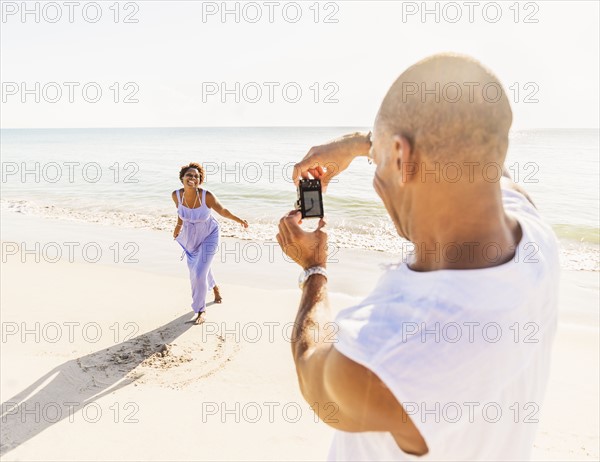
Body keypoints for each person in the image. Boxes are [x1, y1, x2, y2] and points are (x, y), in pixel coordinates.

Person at [276, 53, 559, 460]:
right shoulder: (533, 234)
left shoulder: (401, 342)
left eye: (379, 165)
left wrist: (314, 269)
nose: (377, 180)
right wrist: (365, 145)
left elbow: (312, 373)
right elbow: (469, 143)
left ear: (402, 155)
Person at [173, 162, 248, 324]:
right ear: (182, 178)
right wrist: (178, 226)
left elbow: (223, 211)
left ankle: (201, 310)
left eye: (196, 176)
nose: (192, 178)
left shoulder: (207, 196)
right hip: (190, 237)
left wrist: (239, 220)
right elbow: (180, 213)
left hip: (210, 235)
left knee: (199, 272)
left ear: (200, 181)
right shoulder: (176, 195)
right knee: (199, 267)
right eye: (189, 175)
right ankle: (215, 288)